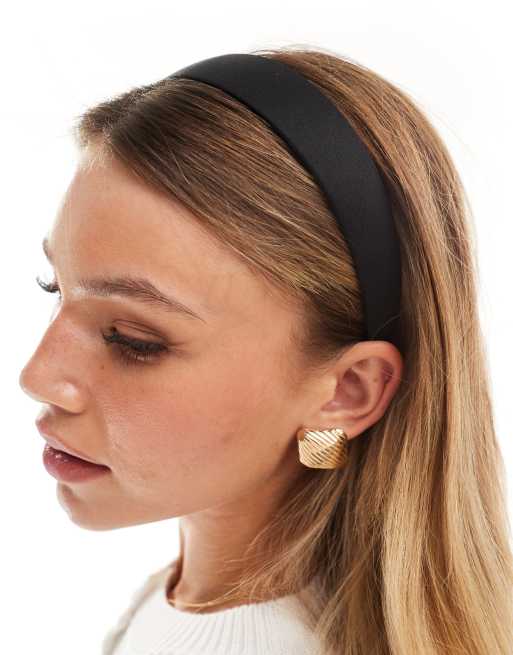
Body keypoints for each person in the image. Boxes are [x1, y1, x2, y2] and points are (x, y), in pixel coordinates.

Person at [18, 45, 513, 655]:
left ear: (346, 391)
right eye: (55, 287)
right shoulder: (171, 601)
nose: (38, 375)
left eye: (133, 340)